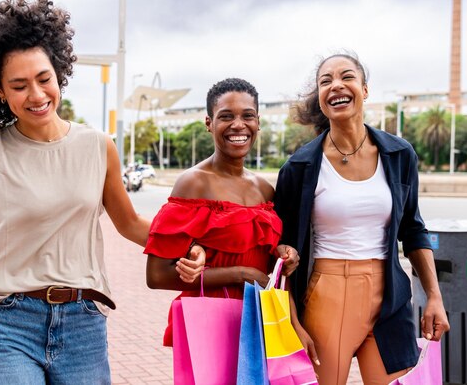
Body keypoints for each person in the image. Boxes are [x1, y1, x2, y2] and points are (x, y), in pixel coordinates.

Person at [0, 0, 204, 385]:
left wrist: (192, 245)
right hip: (7, 325)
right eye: (18, 85)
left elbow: (130, 222)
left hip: (83, 323)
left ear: (58, 73)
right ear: (0, 91)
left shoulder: (99, 146)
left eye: (43, 78)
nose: (36, 95)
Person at [274, 52, 450, 385]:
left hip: (390, 297)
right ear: (321, 100)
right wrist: (293, 320)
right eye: (325, 81)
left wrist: (434, 297)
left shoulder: (399, 154)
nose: (336, 85)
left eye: (347, 76)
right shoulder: (299, 167)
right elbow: (282, 252)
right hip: (327, 295)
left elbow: (413, 229)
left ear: (364, 90)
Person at [144, 77, 299, 348]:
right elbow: (157, 276)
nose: (238, 125)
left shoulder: (264, 189)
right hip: (211, 324)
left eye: (247, 116)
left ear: (258, 122)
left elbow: (264, 259)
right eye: (226, 116)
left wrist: (284, 255)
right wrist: (241, 274)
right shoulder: (194, 183)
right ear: (209, 123)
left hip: (262, 322)